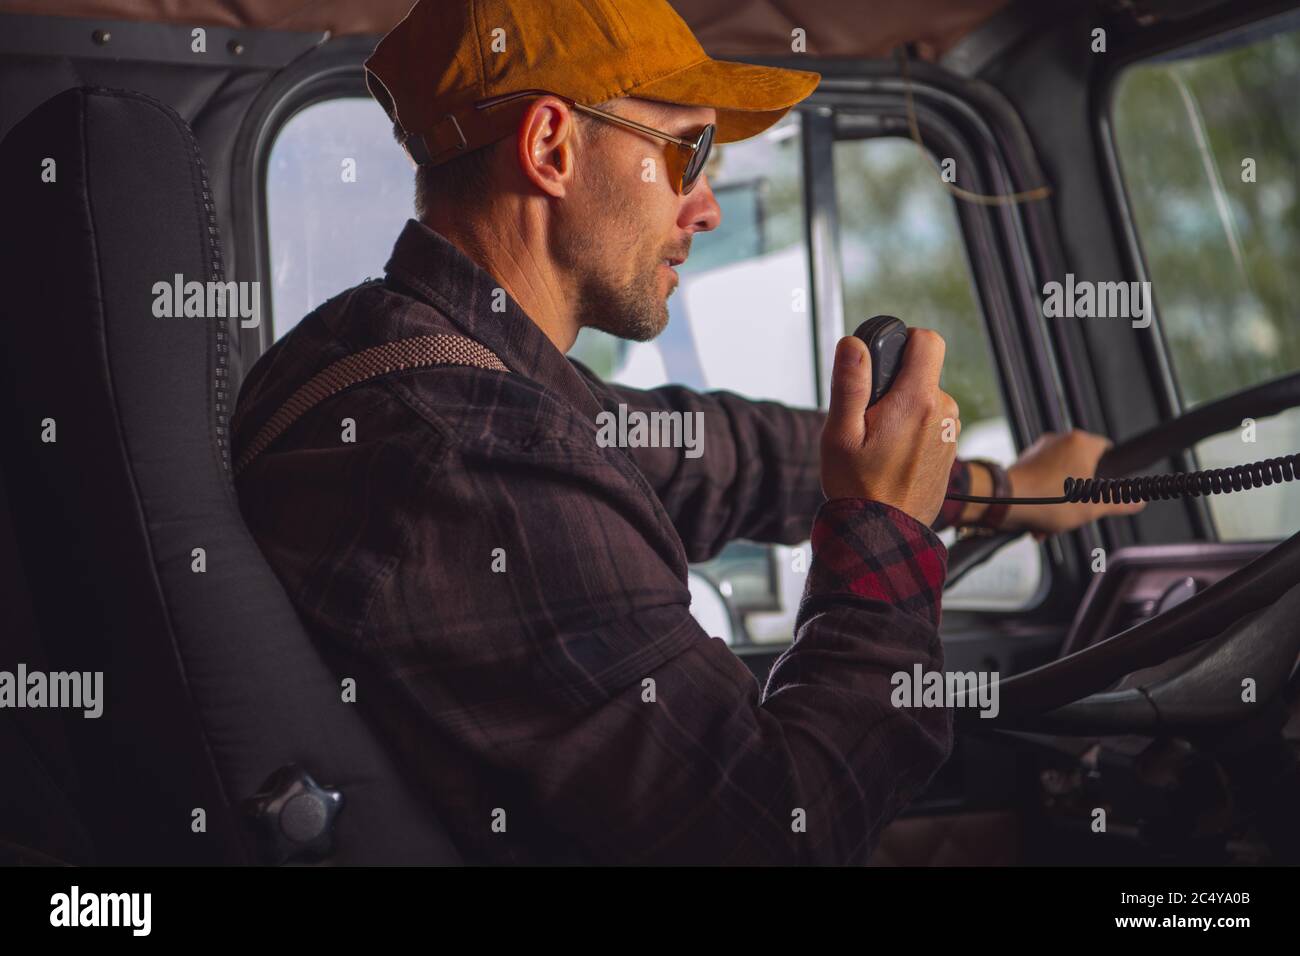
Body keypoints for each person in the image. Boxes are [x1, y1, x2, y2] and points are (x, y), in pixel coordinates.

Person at [232, 0, 1142, 864]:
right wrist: (886, 538)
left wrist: (998, 491)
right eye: (686, 151)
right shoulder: (471, 454)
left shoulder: (392, 352)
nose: (704, 207)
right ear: (551, 147)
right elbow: (781, 833)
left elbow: (710, 456)